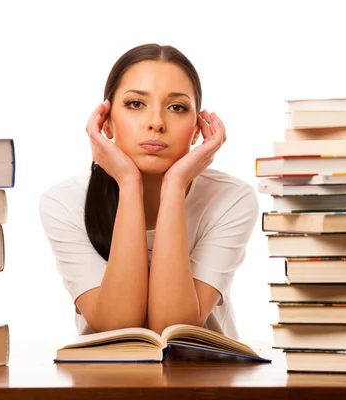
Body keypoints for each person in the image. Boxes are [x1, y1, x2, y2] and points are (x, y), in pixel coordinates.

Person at [39, 43, 259, 339]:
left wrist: (174, 185)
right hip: (102, 382)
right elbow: (118, 327)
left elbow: (175, 328)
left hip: (205, 379)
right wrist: (129, 184)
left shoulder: (232, 199)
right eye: (135, 104)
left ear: (197, 129)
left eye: (177, 107)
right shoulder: (64, 202)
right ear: (105, 122)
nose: (156, 123)